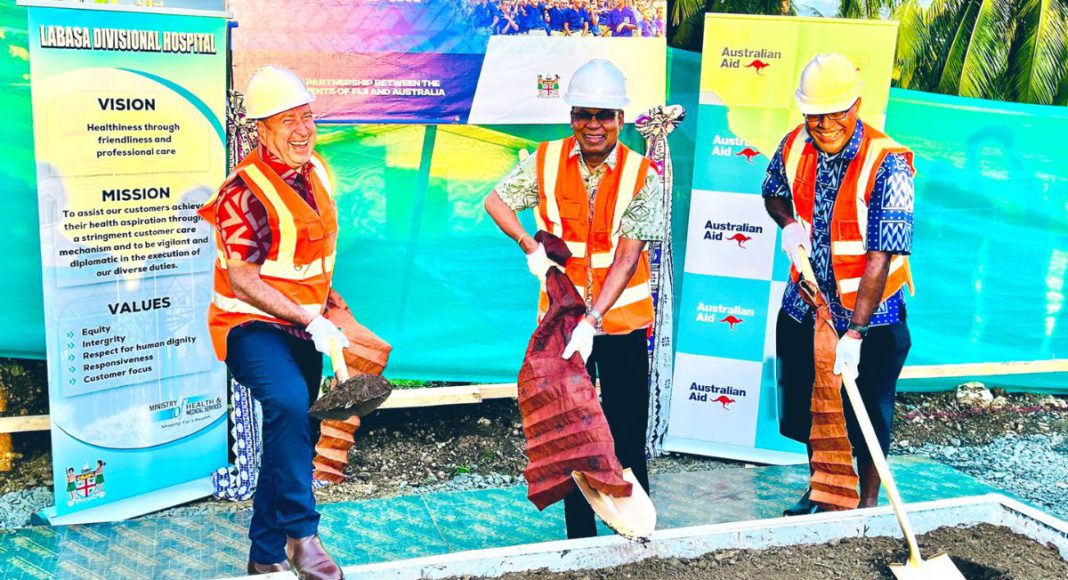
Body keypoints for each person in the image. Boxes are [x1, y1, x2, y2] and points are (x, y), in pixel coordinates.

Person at [484, 59, 664, 539]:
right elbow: (496, 201)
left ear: (620, 120)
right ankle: (580, 540)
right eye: (584, 114)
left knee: (626, 432)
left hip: (620, 325)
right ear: (571, 117)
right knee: (569, 435)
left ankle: (634, 532)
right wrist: (531, 247)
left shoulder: (643, 174)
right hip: (561, 325)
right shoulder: (545, 160)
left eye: (604, 115)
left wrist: (595, 319)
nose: (593, 125)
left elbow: (628, 255)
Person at [198, 65, 348, 579]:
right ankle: (303, 536)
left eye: (307, 117)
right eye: (288, 121)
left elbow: (313, 252)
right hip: (248, 325)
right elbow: (243, 279)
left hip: (305, 326)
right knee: (287, 403)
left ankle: (263, 554)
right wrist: (310, 315)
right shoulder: (243, 192)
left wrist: (331, 307)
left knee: (292, 428)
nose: (303, 130)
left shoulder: (319, 171)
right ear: (261, 129)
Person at [763, 53, 915, 514]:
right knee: (812, 407)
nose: (825, 124)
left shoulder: (890, 164)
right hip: (806, 304)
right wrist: (787, 222)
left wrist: (855, 332)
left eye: (836, 113)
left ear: (857, 105)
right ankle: (823, 490)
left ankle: (866, 503)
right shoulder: (795, 144)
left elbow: (881, 256)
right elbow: (772, 189)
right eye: (814, 114)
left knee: (869, 412)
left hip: (871, 312)